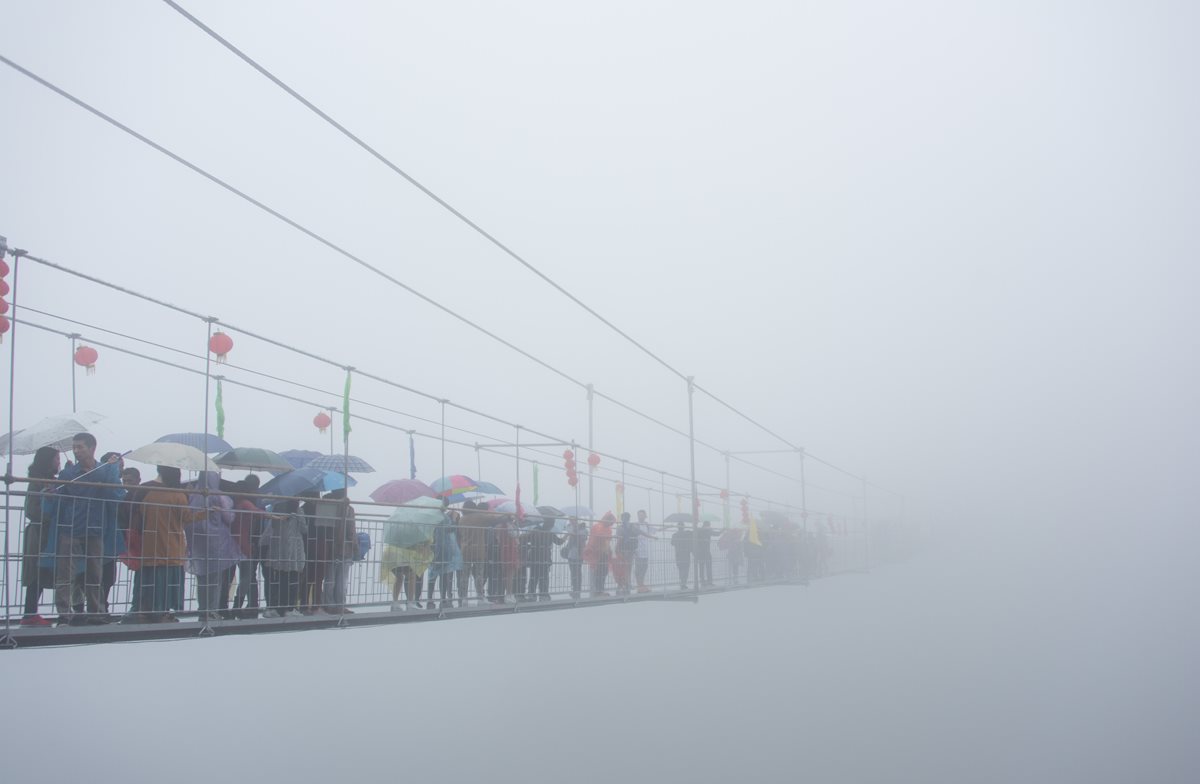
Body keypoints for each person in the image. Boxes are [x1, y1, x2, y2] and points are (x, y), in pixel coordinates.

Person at [52, 432, 123, 625]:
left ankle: (95, 612)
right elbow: (60, 497)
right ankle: (64, 614)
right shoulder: (68, 474)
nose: (76, 451)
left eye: (80, 447)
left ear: (92, 448)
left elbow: (116, 493)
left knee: (95, 574)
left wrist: (112, 468)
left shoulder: (104, 471)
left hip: (95, 527)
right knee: (65, 574)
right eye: (74, 447)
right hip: (71, 526)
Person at [131, 466, 206, 623]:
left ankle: (142, 611)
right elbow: (186, 518)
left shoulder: (149, 494)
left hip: (149, 545)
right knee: (166, 583)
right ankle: (162, 612)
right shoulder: (178, 496)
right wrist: (206, 512)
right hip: (171, 547)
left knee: (148, 580)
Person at [186, 471, 241, 622]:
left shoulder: (192, 496)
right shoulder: (219, 496)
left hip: (197, 542)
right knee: (215, 579)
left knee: (201, 578)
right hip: (217, 542)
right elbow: (229, 517)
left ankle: (203, 610)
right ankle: (211, 611)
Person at [19, 446, 59, 626]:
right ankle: (29, 613)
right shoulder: (37, 482)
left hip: (47, 532)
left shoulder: (50, 480)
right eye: (56, 459)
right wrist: (49, 516)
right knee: (36, 570)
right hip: (39, 533)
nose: (58, 462)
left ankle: (30, 612)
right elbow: (31, 509)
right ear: (48, 461)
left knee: (42, 570)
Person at [260, 499, 306, 617]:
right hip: (294, 548)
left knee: (280, 578)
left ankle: (278, 607)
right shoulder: (298, 510)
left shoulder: (277, 509)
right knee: (293, 578)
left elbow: (273, 526)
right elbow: (304, 529)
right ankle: (290, 608)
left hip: (279, 547)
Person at [321, 488, 359, 614]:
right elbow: (351, 529)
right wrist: (355, 547)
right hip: (345, 548)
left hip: (329, 547)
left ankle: (329, 604)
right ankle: (340, 605)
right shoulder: (349, 509)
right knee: (342, 580)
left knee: (330, 579)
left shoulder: (327, 505)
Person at [230, 475, 263, 619]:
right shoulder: (247, 503)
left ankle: (239, 605)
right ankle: (240, 605)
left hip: (234, 543)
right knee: (248, 576)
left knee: (243, 575)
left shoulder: (234, 503)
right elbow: (258, 515)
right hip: (246, 542)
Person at [427, 505, 463, 609]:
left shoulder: (432, 516)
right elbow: (449, 529)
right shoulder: (443, 518)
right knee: (442, 575)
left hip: (434, 549)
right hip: (441, 549)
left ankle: (430, 599)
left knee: (433, 576)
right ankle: (442, 599)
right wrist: (454, 520)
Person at [457, 501, 490, 605]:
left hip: (465, 550)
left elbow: (460, 534)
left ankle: (464, 598)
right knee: (479, 575)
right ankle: (480, 597)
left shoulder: (462, 519)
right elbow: (493, 519)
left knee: (464, 576)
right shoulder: (479, 517)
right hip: (478, 550)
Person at [523, 516, 563, 601]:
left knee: (533, 576)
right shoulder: (550, 534)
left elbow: (526, 539)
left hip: (534, 557)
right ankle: (543, 594)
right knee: (544, 577)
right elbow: (559, 542)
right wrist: (567, 536)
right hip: (545, 558)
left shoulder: (535, 531)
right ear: (551, 525)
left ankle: (531, 594)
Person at [583, 512, 615, 597]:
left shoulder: (608, 528)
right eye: (610, 522)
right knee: (599, 572)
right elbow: (596, 537)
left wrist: (609, 550)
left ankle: (600, 590)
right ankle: (598, 591)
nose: (611, 524)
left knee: (603, 571)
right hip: (597, 553)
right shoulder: (598, 526)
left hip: (604, 552)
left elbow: (607, 540)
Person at [562, 516, 588, 599]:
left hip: (579, 554)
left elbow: (584, 536)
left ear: (576, 520)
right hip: (571, 554)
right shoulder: (570, 527)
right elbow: (568, 530)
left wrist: (577, 531)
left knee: (577, 572)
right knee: (573, 572)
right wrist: (574, 531)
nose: (572, 521)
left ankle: (577, 590)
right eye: (571, 520)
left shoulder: (583, 528)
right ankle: (574, 589)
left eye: (573, 520)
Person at [612, 512, 637, 596]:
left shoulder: (620, 527)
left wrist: (616, 548)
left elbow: (618, 538)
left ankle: (622, 585)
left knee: (622, 568)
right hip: (630, 550)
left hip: (622, 550)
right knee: (628, 568)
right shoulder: (632, 526)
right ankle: (626, 585)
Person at [633, 510, 654, 594]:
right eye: (639, 515)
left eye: (642, 515)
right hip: (638, 549)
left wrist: (667, 527)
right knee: (638, 568)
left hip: (645, 550)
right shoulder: (636, 525)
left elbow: (656, 530)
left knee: (644, 567)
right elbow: (636, 533)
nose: (640, 517)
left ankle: (641, 584)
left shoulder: (647, 525)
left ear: (645, 516)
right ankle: (639, 585)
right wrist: (634, 550)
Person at [670, 523, 694, 591]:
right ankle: (684, 583)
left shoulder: (675, 535)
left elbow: (672, 543)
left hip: (678, 554)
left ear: (677, 527)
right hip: (686, 553)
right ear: (684, 527)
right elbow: (691, 541)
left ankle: (682, 582)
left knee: (680, 568)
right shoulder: (687, 534)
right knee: (686, 569)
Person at [695, 521, 716, 587]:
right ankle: (709, 581)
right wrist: (722, 531)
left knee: (702, 567)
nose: (709, 527)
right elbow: (716, 534)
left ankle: (703, 581)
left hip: (701, 552)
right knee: (707, 567)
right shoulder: (705, 531)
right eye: (709, 525)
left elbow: (715, 534)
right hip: (705, 551)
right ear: (707, 525)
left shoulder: (701, 530)